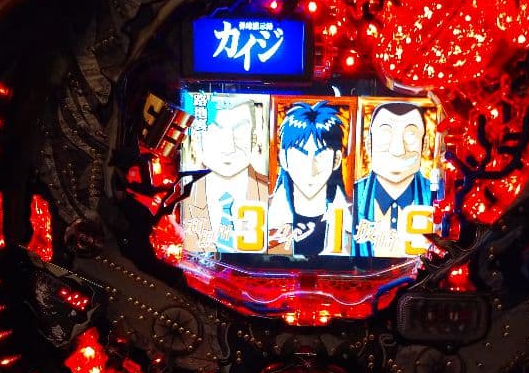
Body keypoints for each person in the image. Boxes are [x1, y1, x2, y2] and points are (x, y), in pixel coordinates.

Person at [181, 97, 268, 253]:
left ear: (254, 137)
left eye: (240, 130)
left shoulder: (274, 195)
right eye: (214, 131)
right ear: (196, 137)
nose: (229, 148)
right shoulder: (178, 197)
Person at [268, 100, 351, 257]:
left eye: (321, 155)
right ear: (284, 159)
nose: (311, 169)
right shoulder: (262, 212)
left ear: (336, 160)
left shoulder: (356, 217)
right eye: (301, 155)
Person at [352, 101, 434, 257]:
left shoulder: (438, 198)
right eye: (385, 134)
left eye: (411, 135)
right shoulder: (351, 197)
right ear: (369, 144)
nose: (398, 150)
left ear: (424, 145)